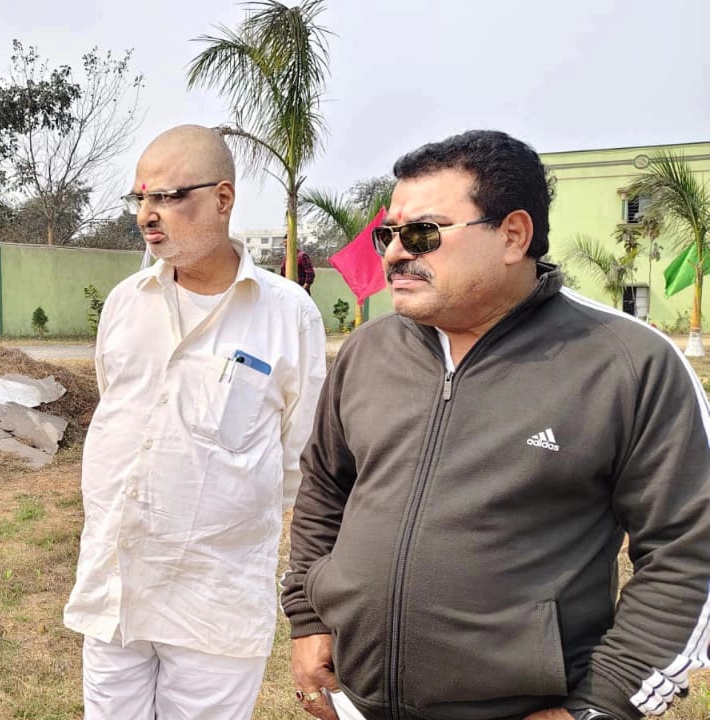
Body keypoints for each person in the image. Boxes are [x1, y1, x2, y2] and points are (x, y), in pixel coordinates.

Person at [284, 130, 710, 720]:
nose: (395, 253)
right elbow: (326, 489)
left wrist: (599, 705)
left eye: (423, 233)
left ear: (513, 235)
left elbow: (689, 553)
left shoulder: (627, 363)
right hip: (356, 700)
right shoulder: (368, 351)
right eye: (389, 234)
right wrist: (307, 619)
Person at [63, 125, 327, 719]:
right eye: (140, 198)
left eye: (167, 196)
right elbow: (121, 413)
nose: (147, 215)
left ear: (222, 198)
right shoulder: (126, 303)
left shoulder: (288, 315)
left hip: (214, 597)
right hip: (116, 584)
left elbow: (300, 456)